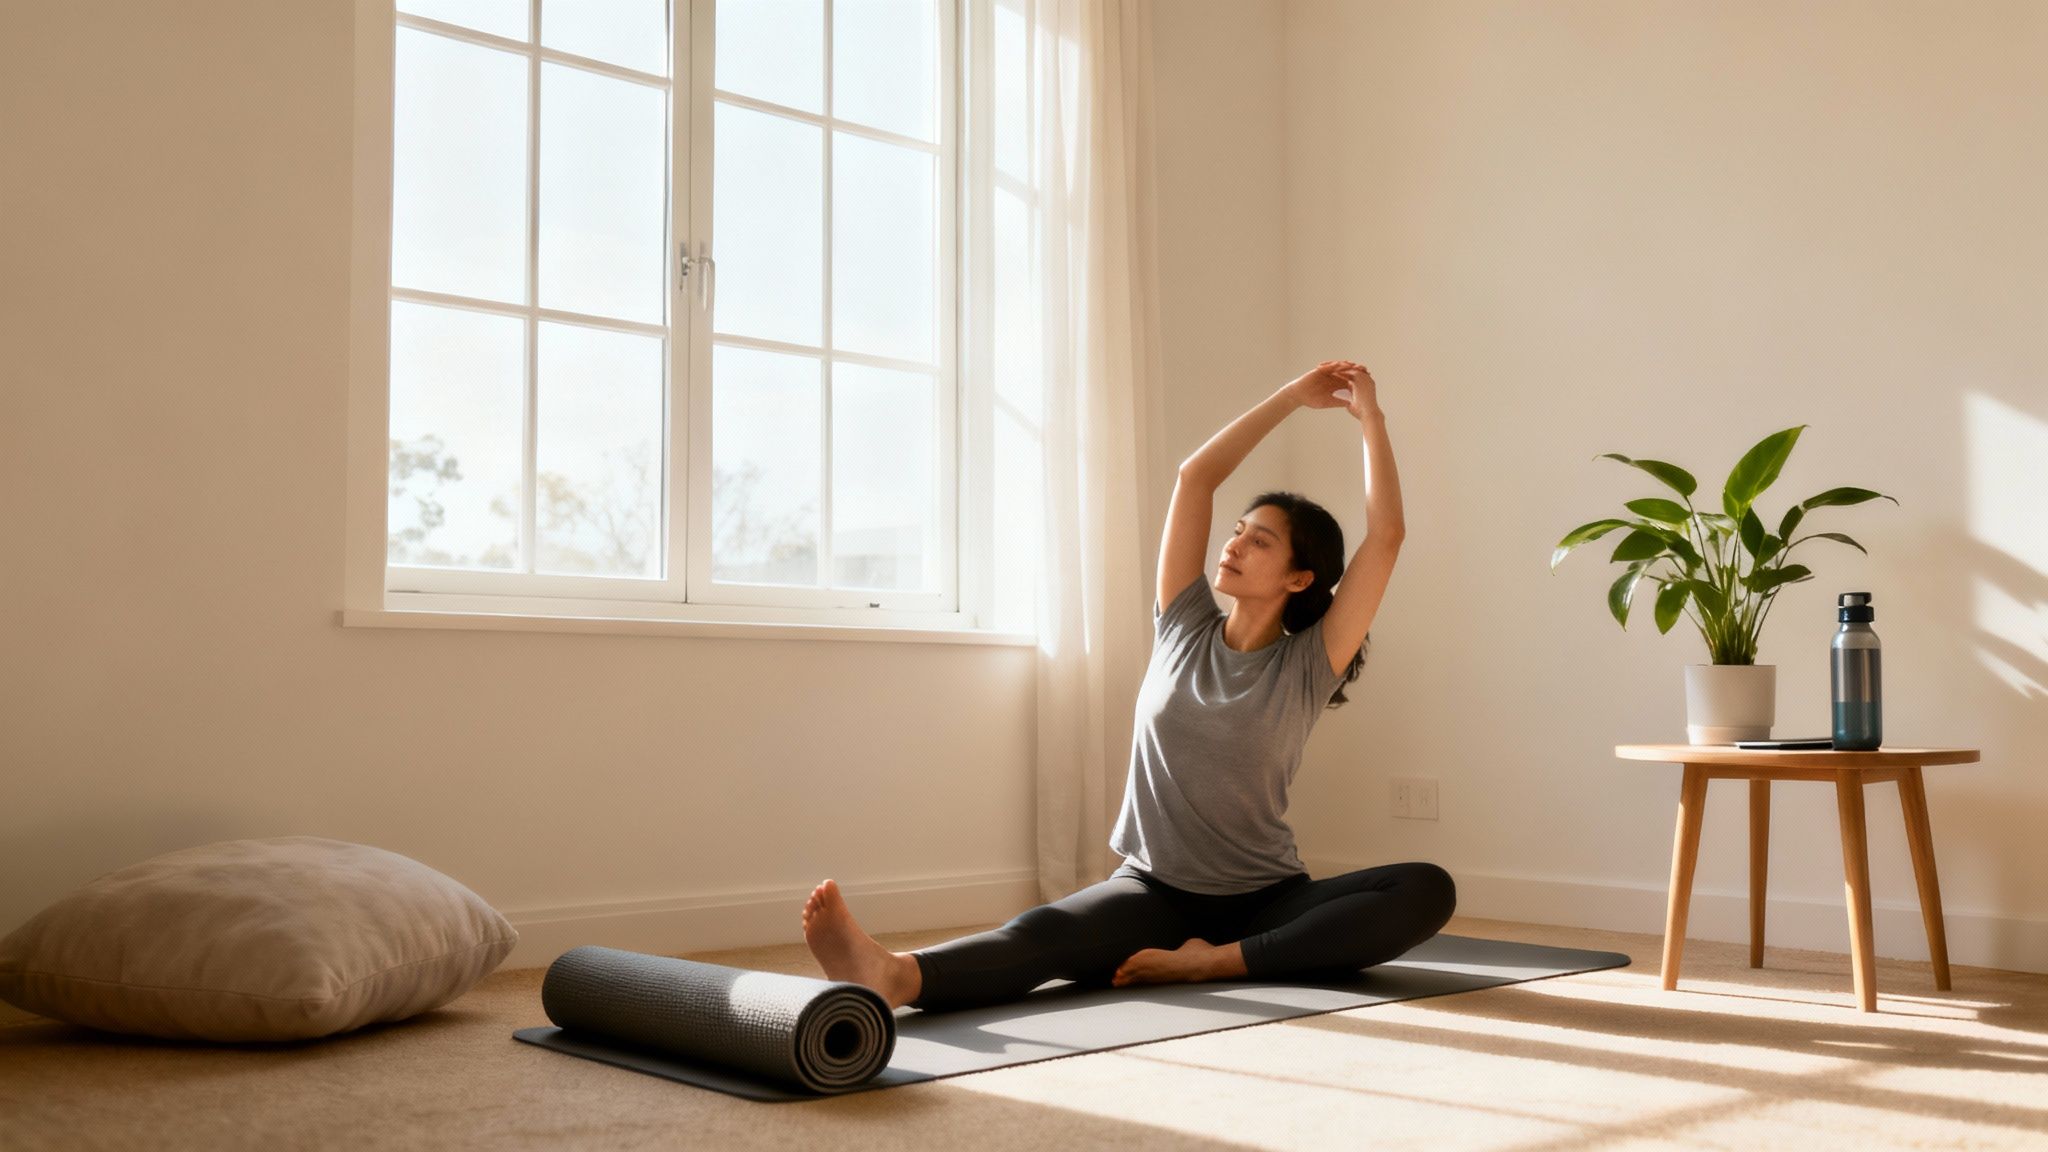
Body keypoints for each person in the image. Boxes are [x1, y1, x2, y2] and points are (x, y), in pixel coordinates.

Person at [801, 360, 1456, 1012]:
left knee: (1427, 888)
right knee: (1045, 934)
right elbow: (1195, 477)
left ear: (1300, 579)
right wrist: (1290, 396)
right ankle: (894, 975)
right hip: (1154, 891)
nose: (1232, 546)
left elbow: (1388, 535)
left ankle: (1216, 963)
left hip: (1268, 901)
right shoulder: (1182, 623)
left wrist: (1369, 416)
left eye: (1259, 542)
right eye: (1236, 531)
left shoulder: (1308, 664)